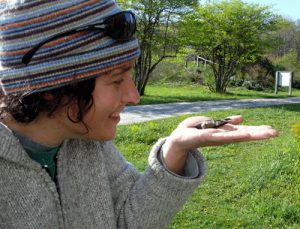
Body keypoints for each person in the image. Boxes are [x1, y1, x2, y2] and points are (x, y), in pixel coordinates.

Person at [0, 0, 278, 228]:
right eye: (117, 80)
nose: (134, 97)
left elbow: (128, 221)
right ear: (51, 89)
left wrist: (174, 152)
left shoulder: (89, 143)